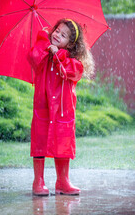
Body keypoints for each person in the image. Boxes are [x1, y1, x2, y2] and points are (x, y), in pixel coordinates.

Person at [28, 18, 95, 196]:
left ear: (71, 45)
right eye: (56, 30)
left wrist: (59, 55)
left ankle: (63, 181)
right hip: (43, 107)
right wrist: (43, 39)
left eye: (63, 35)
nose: (57, 34)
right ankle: (38, 181)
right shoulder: (44, 54)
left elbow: (70, 72)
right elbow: (33, 58)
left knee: (63, 141)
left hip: (63, 110)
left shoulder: (74, 62)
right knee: (40, 141)